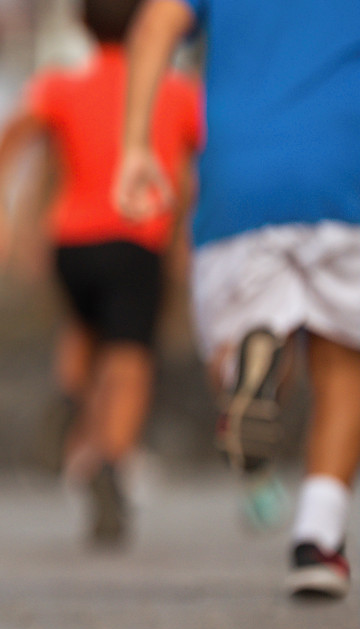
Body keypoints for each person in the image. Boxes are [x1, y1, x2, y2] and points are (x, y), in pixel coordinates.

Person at [115, 0, 360, 598]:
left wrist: (135, 146)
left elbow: (153, 26)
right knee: (343, 364)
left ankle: (248, 369)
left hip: (239, 177)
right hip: (343, 169)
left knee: (246, 337)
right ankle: (316, 539)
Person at [0, 0, 201, 547]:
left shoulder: (61, 84)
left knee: (85, 330)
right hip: (134, 234)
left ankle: (70, 402)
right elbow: (200, 163)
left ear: (81, 23)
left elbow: (14, 133)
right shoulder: (171, 91)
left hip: (71, 239)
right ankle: (109, 459)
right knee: (129, 357)